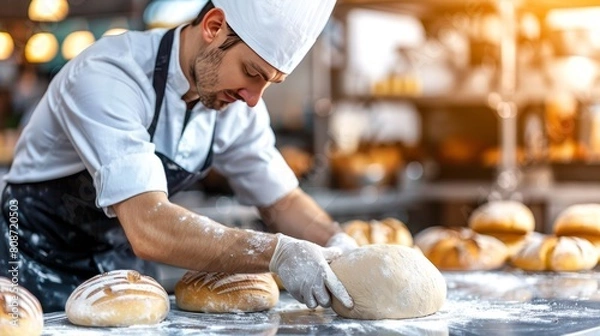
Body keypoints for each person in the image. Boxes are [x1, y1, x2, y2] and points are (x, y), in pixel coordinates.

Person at [0, 0, 359, 313]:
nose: (253, 98)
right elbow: (149, 226)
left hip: (122, 275)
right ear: (213, 26)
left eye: (269, 82)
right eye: (251, 72)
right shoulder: (109, 74)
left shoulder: (237, 106)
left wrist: (338, 244)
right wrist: (278, 253)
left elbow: (282, 202)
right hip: (31, 263)